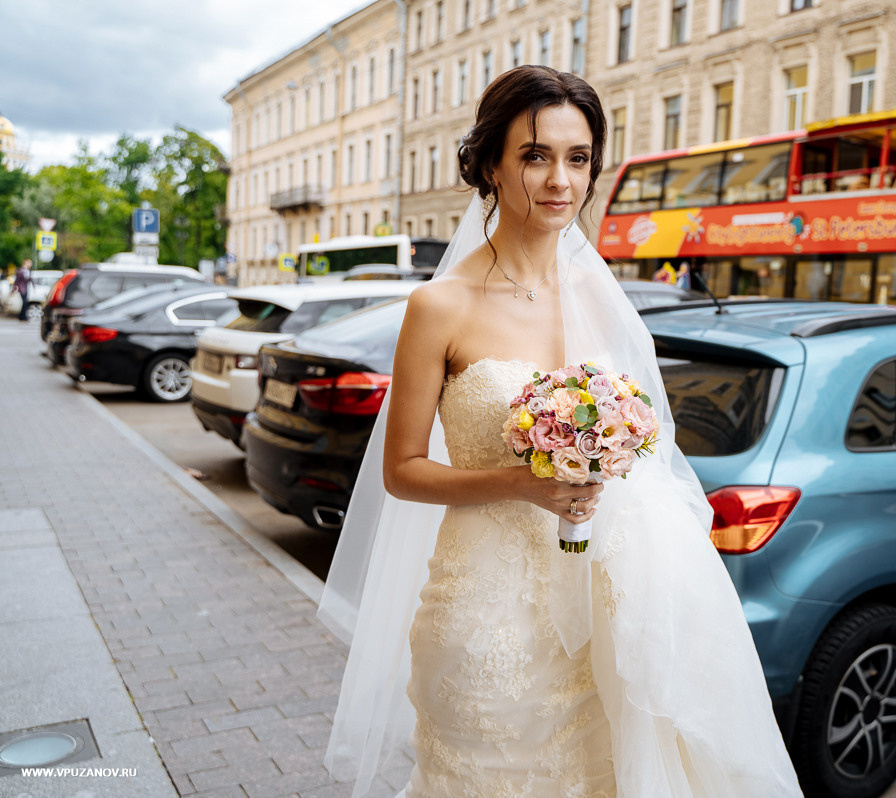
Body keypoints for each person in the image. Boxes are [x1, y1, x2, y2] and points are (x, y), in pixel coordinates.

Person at [318, 65, 803, 798]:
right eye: (535, 155)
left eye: (578, 159)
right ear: (489, 164)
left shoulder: (600, 295)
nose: (560, 181)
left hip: (611, 602)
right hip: (487, 611)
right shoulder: (438, 306)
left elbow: (648, 447)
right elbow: (403, 471)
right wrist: (523, 482)